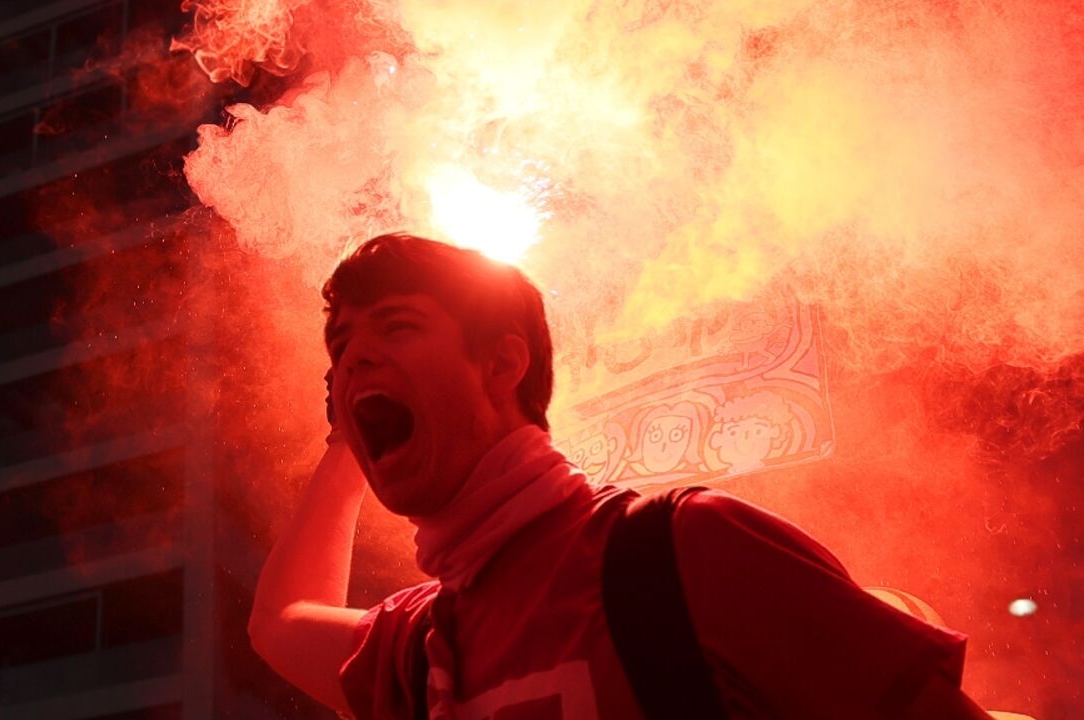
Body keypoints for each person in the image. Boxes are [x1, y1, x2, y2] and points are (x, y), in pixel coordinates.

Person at [247, 232, 993, 719]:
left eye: (396, 326)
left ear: (504, 363)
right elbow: (280, 625)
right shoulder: (422, 649)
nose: (352, 359)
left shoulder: (691, 549)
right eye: (340, 347)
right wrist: (346, 437)